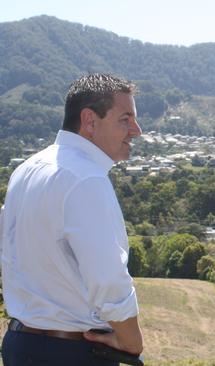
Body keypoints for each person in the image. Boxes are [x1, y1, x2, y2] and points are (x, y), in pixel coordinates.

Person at [1, 73, 144, 365]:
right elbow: (108, 279)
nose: (137, 130)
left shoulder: (26, 170)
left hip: (19, 343)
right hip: (72, 352)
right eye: (125, 119)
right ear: (90, 120)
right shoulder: (86, 179)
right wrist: (131, 341)